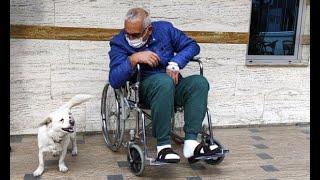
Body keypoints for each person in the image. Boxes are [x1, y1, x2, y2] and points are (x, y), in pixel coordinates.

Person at [108, 7, 219, 163]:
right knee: (163, 82)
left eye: (135, 34)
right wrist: (133, 59)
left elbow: (192, 46)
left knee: (199, 83)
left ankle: (191, 143)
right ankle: (163, 147)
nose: (130, 37)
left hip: (173, 84)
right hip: (145, 89)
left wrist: (176, 63)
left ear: (149, 30)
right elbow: (114, 80)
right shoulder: (119, 42)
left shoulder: (165, 29)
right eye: (128, 33)